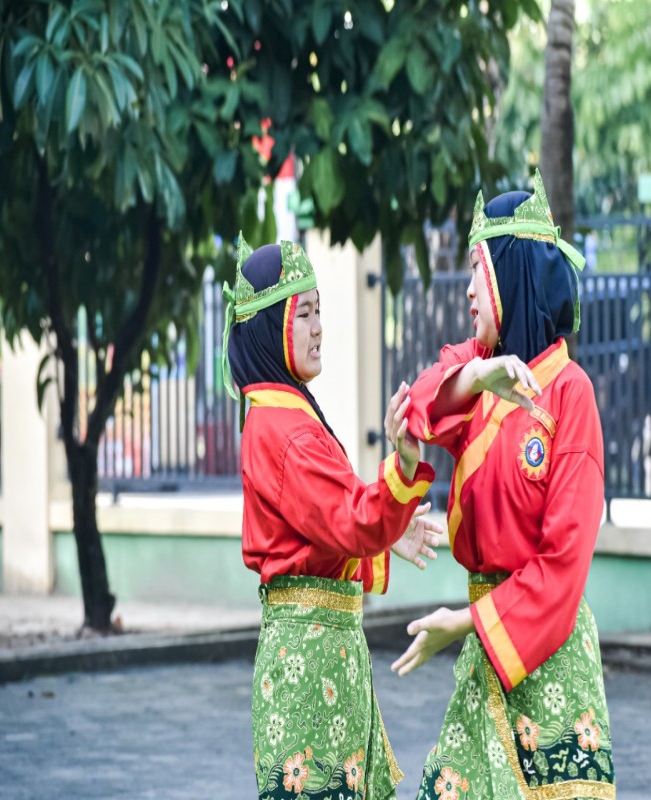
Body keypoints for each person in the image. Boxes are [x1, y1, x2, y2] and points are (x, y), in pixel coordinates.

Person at [391, 172, 616, 799]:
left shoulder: (571, 396)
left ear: (510, 276)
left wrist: (464, 624)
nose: (466, 291)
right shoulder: (484, 378)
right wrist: (480, 374)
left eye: (476, 272)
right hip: (487, 651)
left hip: (548, 662)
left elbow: (563, 564)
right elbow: (421, 409)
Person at [222, 235, 441, 800]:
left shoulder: (280, 417)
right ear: (271, 327)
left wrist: (389, 533)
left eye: (320, 311)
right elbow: (351, 520)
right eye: (304, 314)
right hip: (311, 665)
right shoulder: (287, 431)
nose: (319, 328)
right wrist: (405, 467)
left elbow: (315, 543)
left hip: (318, 654)